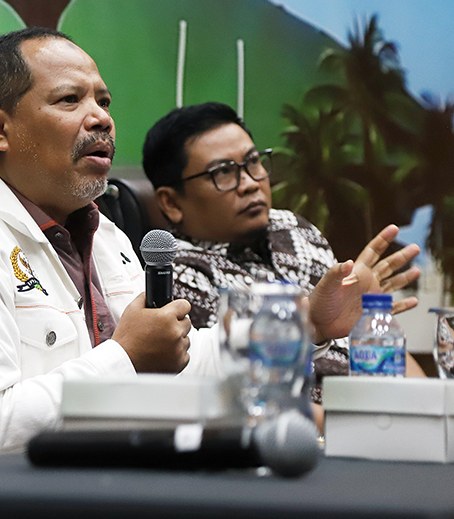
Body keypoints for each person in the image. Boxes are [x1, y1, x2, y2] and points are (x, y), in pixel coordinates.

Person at [0, 27, 415, 459]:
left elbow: (185, 357)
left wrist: (308, 323)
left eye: (103, 100)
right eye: (69, 100)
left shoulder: (103, 234)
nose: (101, 118)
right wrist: (125, 357)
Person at [141, 101, 425, 400]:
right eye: (223, 172)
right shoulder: (178, 277)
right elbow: (245, 393)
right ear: (171, 203)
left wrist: (426, 404)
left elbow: (373, 345)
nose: (250, 183)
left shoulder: (293, 227)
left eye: (253, 162)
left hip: (377, 409)